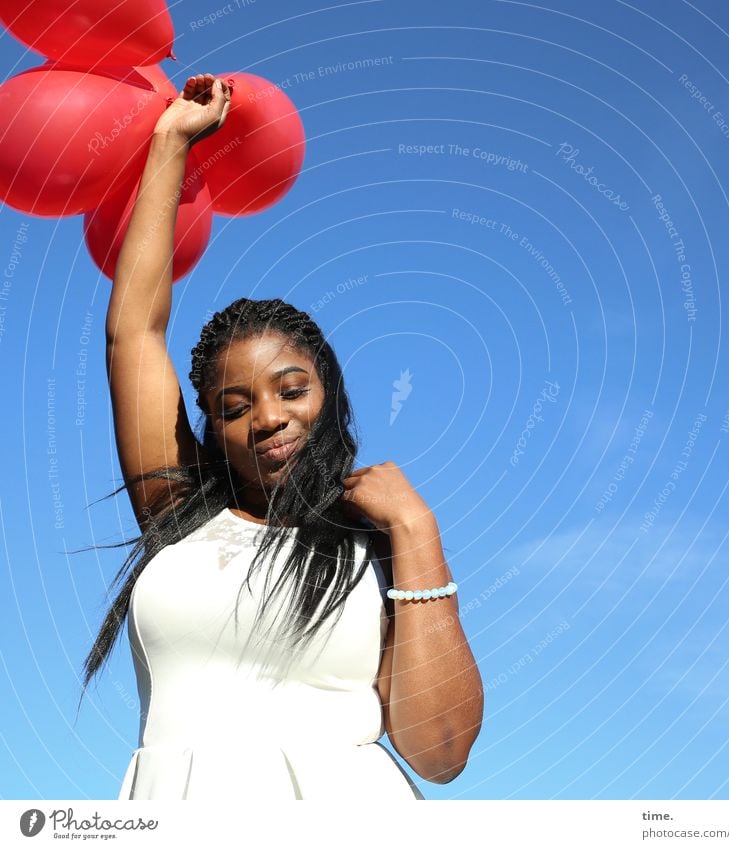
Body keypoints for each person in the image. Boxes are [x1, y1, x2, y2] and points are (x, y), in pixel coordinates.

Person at [82, 73, 483, 800]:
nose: (267, 415)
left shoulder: (376, 546)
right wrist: (171, 139)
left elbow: (441, 749)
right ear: (213, 425)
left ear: (328, 395)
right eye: (234, 406)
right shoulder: (181, 516)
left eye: (291, 390)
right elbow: (132, 332)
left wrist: (417, 531)